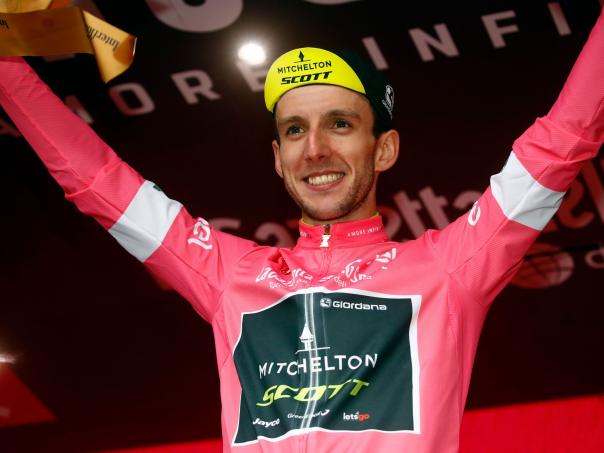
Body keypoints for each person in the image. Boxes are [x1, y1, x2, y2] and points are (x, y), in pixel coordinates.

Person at [1, 8, 602, 452]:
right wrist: (6, 66)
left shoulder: (447, 269)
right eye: (294, 130)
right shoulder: (229, 274)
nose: (314, 149)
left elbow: (560, 145)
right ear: (277, 156)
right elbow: (99, 183)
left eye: (339, 124)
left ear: (384, 148)